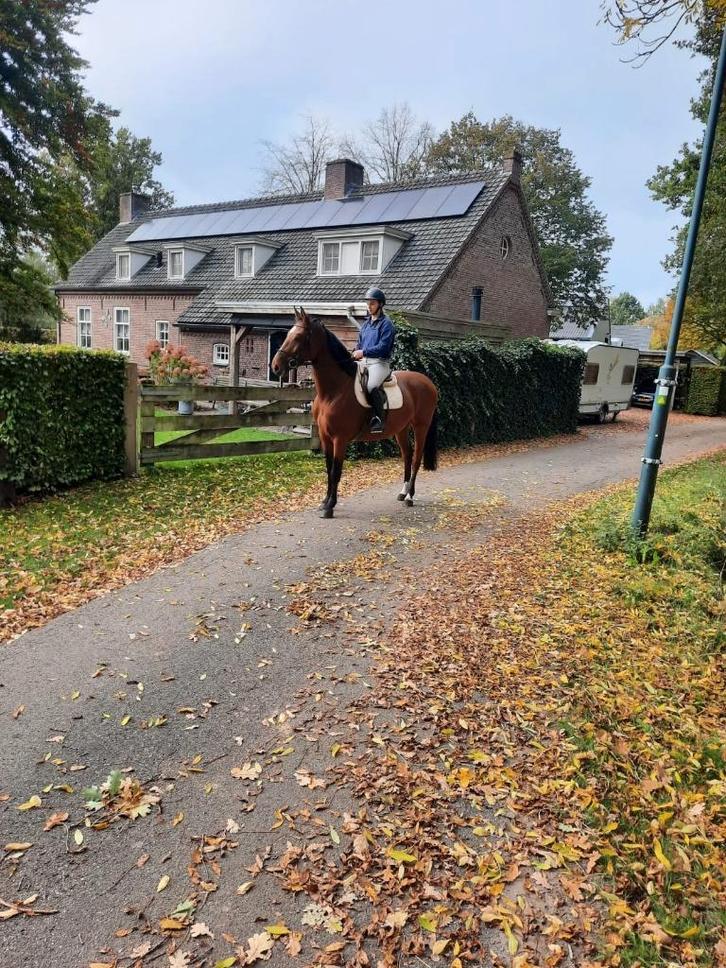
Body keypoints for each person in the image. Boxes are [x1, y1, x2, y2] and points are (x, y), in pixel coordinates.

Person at [352, 287, 395, 433]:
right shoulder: (366, 325)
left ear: (380, 305)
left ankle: (379, 420)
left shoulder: (386, 324)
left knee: (370, 387)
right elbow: (359, 344)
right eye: (368, 303)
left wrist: (363, 352)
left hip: (380, 363)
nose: (369, 307)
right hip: (363, 362)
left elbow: (383, 347)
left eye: (372, 303)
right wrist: (354, 352)